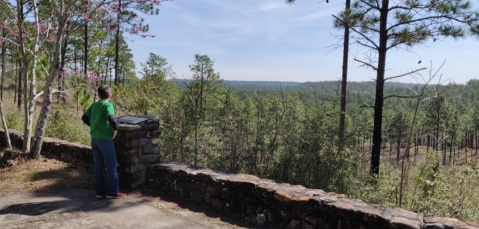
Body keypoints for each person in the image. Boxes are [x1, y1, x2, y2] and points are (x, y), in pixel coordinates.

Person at [82, 85, 126, 199]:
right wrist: (115, 130)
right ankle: (112, 192)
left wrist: (94, 126)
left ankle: (99, 192)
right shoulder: (108, 105)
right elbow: (112, 118)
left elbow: (84, 118)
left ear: (98, 95)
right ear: (110, 96)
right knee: (111, 164)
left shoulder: (94, 105)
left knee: (98, 165)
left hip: (94, 138)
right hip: (105, 139)